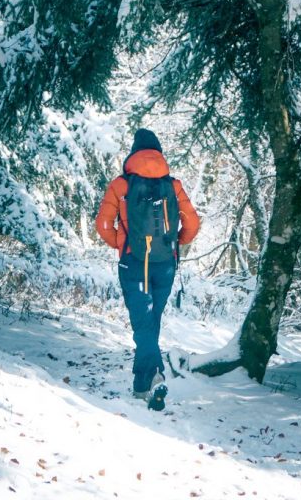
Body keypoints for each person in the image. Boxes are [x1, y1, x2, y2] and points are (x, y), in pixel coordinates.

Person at [95, 128, 200, 410]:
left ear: (134, 152)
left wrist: (122, 242)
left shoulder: (121, 185)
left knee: (143, 322)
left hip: (134, 264)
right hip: (165, 263)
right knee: (151, 322)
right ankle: (141, 385)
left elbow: (103, 225)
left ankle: (155, 375)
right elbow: (193, 224)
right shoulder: (173, 185)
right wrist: (177, 243)